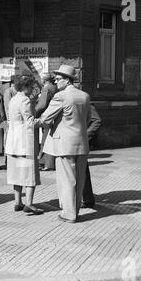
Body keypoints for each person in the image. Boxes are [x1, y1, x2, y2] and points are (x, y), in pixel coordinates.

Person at [38, 65, 91, 223]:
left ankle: (69, 214)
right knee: (79, 179)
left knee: (67, 180)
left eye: (59, 78)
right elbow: (87, 120)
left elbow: (45, 118)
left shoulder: (61, 96)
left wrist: (38, 122)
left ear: (67, 80)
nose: (56, 80)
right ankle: (75, 210)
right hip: (81, 142)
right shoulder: (85, 96)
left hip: (64, 144)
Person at [5, 74, 43, 215]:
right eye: (31, 86)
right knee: (29, 173)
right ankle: (29, 203)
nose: (33, 88)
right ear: (25, 86)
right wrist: (44, 121)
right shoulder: (25, 100)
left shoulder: (13, 100)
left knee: (16, 173)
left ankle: (17, 202)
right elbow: (30, 122)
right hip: (25, 142)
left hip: (13, 141)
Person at [35, 72, 57, 171]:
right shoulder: (55, 87)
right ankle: (50, 162)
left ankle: (46, 163)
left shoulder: (46, 88)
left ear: (43, 80)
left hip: (47, 117)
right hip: (55, 116)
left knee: (45, 140)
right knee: (50, 139)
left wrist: (34, 114)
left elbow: (42, 105)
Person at [82, 104, 102, 208]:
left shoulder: (86, 102)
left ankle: (87, 199)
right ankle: (85, 198)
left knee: (83, 170)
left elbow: (97, 120)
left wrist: (86, 135)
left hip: (81, 141)